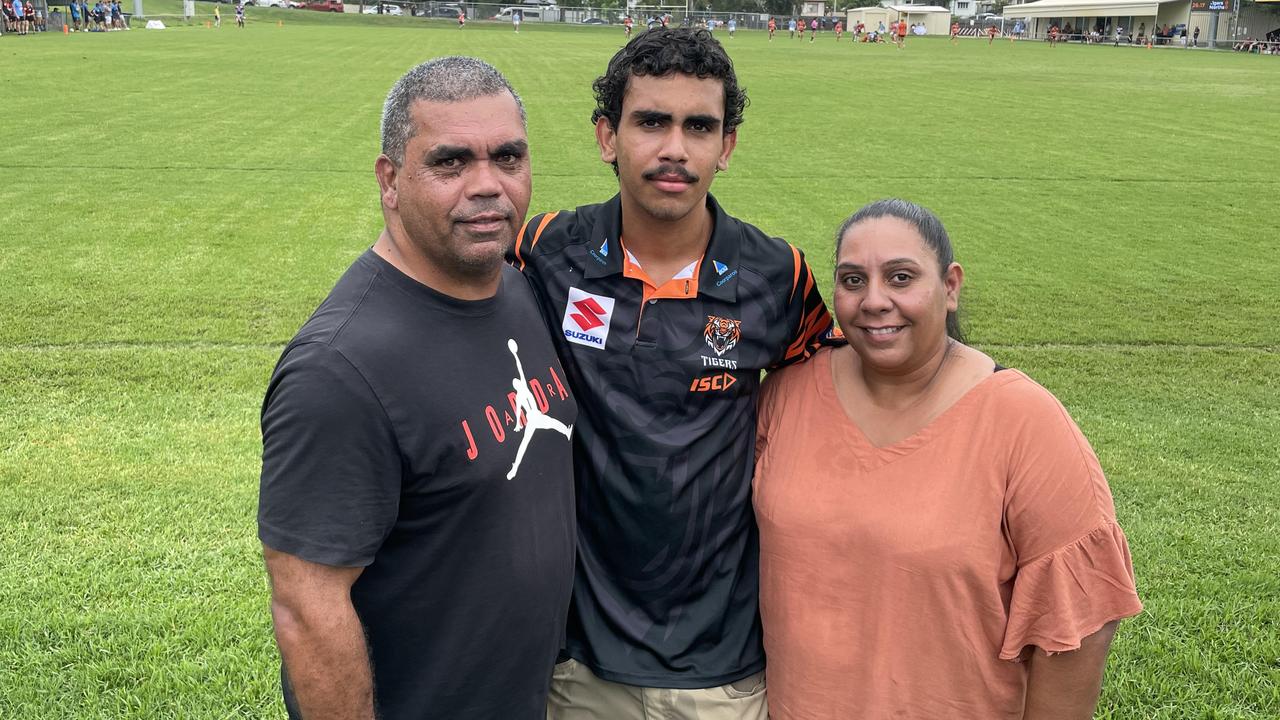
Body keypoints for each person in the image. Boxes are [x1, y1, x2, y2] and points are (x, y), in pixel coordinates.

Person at [512, 27, 839, 720]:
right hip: (579, 662)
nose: (674, 149)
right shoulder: (544, 250)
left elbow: (848, 389)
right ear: (608, 136)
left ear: (727, 146)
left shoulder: (778, 276)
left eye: (699, 126)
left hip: (723, 668)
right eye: (651, 121)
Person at [258, 56, 577, 720]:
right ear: (390, 179)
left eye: (508, 158)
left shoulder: (517, 290)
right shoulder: (340, 370)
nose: (488, 186)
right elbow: (306, 610)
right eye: (451, 163)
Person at [753, 199, 1143, 720]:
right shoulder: (787, 394)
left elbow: (1081, 624)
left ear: (951, 286)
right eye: (852, 280)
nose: (874, 301)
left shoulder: (1023, 421)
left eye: (900, 277)